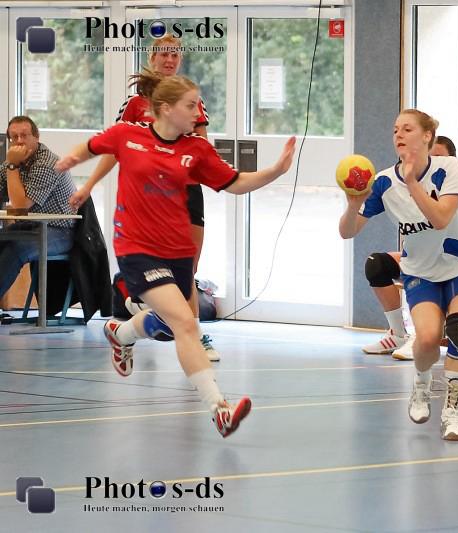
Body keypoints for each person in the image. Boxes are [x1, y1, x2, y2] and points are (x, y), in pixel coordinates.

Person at [55, 71, 296, 437]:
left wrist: (276, 171)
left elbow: (235, 183)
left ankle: (122, 334)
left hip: (178, 250)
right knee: (186, 323)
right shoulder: (128, 135)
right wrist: (73, 160)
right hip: (136, 247)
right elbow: (93, 146)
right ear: (166, 109)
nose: (197, 113)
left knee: (169, 326)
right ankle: (219, 409)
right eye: (190, 106)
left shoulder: (195, 150)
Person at [70, 35, 220, 361]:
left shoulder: (192, 101)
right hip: (148, 195)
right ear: (152, 58)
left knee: (189, 267)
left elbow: (203, 147)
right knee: (154, 267)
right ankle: (157, 319)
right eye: (164, 54)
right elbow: (113, 148)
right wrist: (89, 185)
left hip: (185, 192)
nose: (169, 60)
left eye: (175, 55)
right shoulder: (135, 104)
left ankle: (191, 333)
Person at [340, 110, 458, 440]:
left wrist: (412, 183)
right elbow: (347, 232)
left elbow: (440, 218)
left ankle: (453, 411)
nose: (399, 135)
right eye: (395, 130)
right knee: (427, 338)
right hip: (421, 270)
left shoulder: (450, 168)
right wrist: (352, 205)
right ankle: (421, 383)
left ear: (427, 136)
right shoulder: (383, 182)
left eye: (407, 129)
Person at [362, 135, 458, 361]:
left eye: (439, 157)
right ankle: (398, 333)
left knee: (450, 316)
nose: (433, 161)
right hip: (423, 259)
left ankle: (428, 336)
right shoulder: (406, 185)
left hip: (456, 259)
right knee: (377, 264)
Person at [1, 116, 77, 300]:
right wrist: (11, 165)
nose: (19, 141)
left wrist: (12, 165)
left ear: (36, 137)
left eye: (24, 135)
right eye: (14, 137)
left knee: (16, 248)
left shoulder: (48, 163)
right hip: (33, 226)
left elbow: (21, 206)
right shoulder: (12, 163)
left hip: (63, 231)